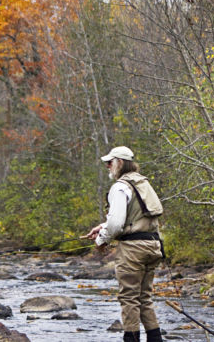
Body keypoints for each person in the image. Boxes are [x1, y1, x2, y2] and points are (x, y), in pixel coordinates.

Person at [82, 146, 164, 342]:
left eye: (109, 162)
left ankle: (131, 339)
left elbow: (117, 224)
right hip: (153, 246)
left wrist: (101, 239)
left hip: (133, 250)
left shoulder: (119, 187)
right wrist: (103, 227)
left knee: (129, 298)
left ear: (119, 162)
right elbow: (133, 218)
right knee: (144, 298)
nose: (107, 166)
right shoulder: (142, 183)